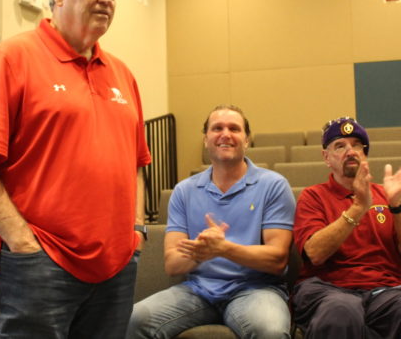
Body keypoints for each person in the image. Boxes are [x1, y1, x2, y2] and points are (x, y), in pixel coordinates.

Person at [0, 0, 151, 339]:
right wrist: (23, 242)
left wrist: (136, 229)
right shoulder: (11, 57)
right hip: (37, 267)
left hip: (115, 268)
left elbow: (137, 163)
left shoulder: (123, 74)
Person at [127, 105, 296, 339]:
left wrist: (223, 249)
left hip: (256, 289)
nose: (225, 134)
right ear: (206, 139)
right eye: (217, 128)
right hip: (198, 290)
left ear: (246, 140)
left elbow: (277, 260)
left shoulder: (273, 186)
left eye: (234, 129)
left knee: (270, 330)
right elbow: (173, 265)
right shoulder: (184, 191)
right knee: (135, 320)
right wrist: (201, 252)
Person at [292, 117, 401, 339]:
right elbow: (315, 253)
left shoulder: (385, 195)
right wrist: (358, 207)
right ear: (326, 157)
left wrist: (397, 205)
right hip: (327, 289)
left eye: (356, 145)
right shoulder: (313, 196)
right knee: (342, 311)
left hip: (385, 292)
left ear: (365, 154)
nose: (350, 151)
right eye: (340, 146)